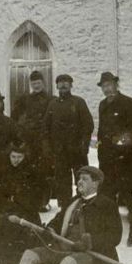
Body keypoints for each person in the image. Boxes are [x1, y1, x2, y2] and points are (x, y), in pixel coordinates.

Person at [0, 166, 122, 264]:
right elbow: (58, 221)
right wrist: (50, 230)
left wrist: (90, 242)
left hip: (92, 255)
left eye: (85, 179)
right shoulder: (73, 202)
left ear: (96, 183)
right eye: (79, 179)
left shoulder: (107, 205)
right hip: (64, 248)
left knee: (70, 263)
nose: (79, 182)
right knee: (30, 254)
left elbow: (115, 236)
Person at [0, 140, 43, 264]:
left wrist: (17, 201)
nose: (16, 160)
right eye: (13, 157)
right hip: (7, 210)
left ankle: (11, 262)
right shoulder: (4, 171)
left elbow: (37, 198)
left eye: (19, 157)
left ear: (25, 157)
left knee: (18, 228)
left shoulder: (33, 173)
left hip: (26, 211)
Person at [96, 70, 132, 246]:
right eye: (104, 86)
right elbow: (101, 131)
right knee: (107, 195)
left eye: (110, 85)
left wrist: (120, 143)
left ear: (116, 85)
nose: (107, 89)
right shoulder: (102, 105)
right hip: (107, 159)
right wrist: (101, 150)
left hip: (126, 158)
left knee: (129, 194)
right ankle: (110, 231)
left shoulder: (128, 103)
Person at [44, 74, 94, 210]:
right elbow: (46, 128)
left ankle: (83, 206)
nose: (63, 85)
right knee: (62, 182)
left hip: (77, 151)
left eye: (66, 82)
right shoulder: (52, 104)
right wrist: (48, 147)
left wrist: (84, 146)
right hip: (60, 152)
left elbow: (88, 125)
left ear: (71, 85)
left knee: (82, 180)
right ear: (57, 86)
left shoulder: (78, 102)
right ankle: (65, 208)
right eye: (60, 83)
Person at [11, 70, 50, 208]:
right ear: (31, 84)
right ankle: (29, 201)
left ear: (43, 83)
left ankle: (44, 202)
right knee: (29, 170)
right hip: (29, 141)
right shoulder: (25, 99)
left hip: (44, 141)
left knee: (44, 171)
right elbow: (15, 116)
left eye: (38, 83)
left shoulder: (51, 99)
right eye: (34, 83)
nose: (36, 86)